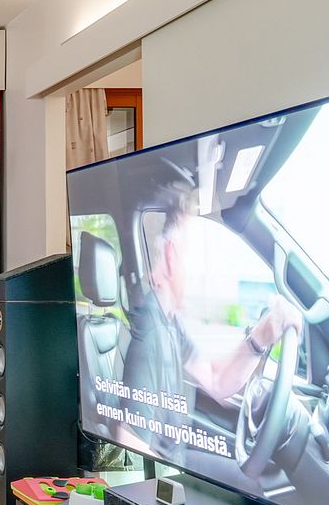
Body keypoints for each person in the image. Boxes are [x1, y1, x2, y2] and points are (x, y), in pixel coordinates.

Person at [117, 174, 301, 460]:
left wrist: (261, 336)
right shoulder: (150, 333)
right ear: (171, 255)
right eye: (196, 254)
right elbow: (128, 445)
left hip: (178, 463)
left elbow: (216, 380)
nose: (202, 268)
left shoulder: (170, 322)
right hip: (166, 478)